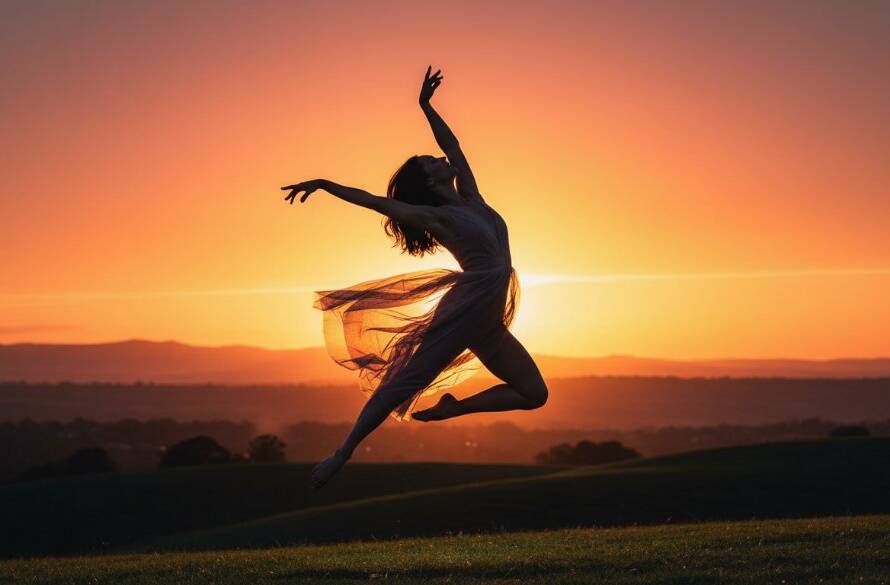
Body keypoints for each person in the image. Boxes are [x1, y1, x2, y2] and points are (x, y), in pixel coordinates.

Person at [281, 66, 548, 489]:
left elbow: (453, 144)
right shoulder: (435, 217)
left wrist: (425, 105)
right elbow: (372, 202)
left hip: (488, 318)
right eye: (430, 160)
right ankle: (342, 452)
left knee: (534, 395)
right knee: (403, 382)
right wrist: (325, 184)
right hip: (466, 309)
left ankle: (453, 409)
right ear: (427, 179)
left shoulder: (472, 198)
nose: (439, 158)